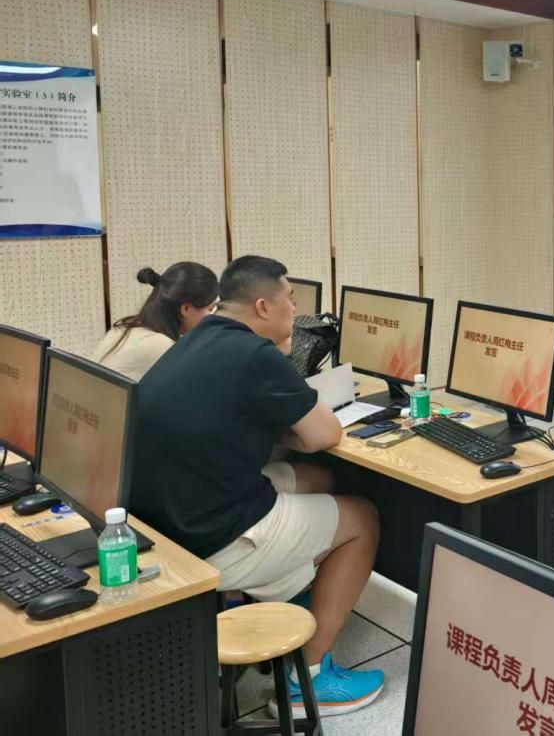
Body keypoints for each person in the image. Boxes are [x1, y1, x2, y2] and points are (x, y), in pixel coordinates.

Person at [131, 256, 383, 718]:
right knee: (363, 518)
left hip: (165, 520)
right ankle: (309, 678)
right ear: (264, 307)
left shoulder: (197, 337)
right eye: (291, 299)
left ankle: (296, 590)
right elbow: (325, 434)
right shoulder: (256, 355)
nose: (297, 311)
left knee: (321, 478)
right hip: (210, 536)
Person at [89, 263, 218, 381]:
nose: (213, 316)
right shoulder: (162, 347)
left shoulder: (127, 326)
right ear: (186, 309)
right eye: (210, 309)